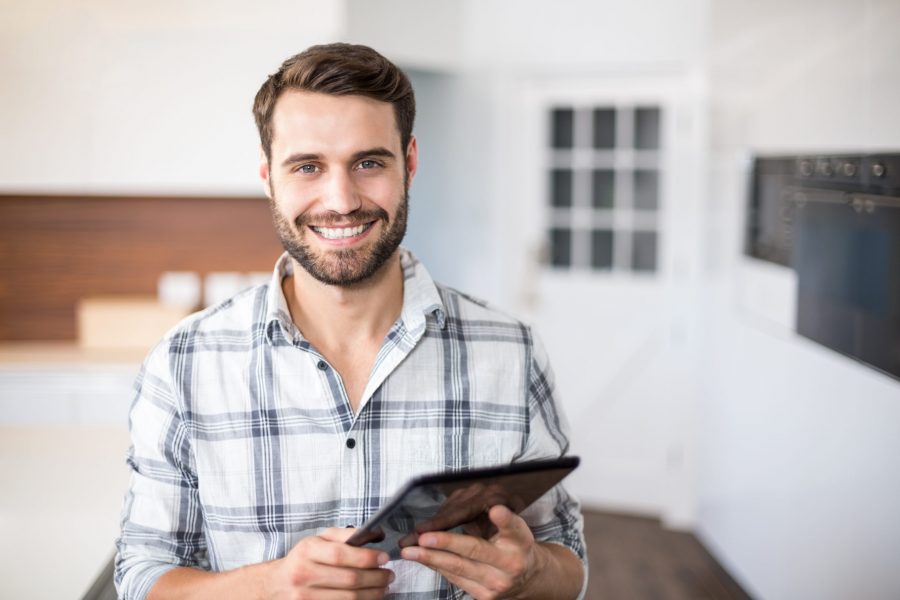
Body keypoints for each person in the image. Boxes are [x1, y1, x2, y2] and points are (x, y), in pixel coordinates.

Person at [115, 43, 587, 600]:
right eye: (308, 166)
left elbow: (569, 560)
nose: (340, 201)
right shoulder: (185, 361)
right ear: (269, 177)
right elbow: (142, 577)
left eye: (368, 163)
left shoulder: (511, 351)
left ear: (409, 163)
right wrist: (271, 587)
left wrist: (532, 574)